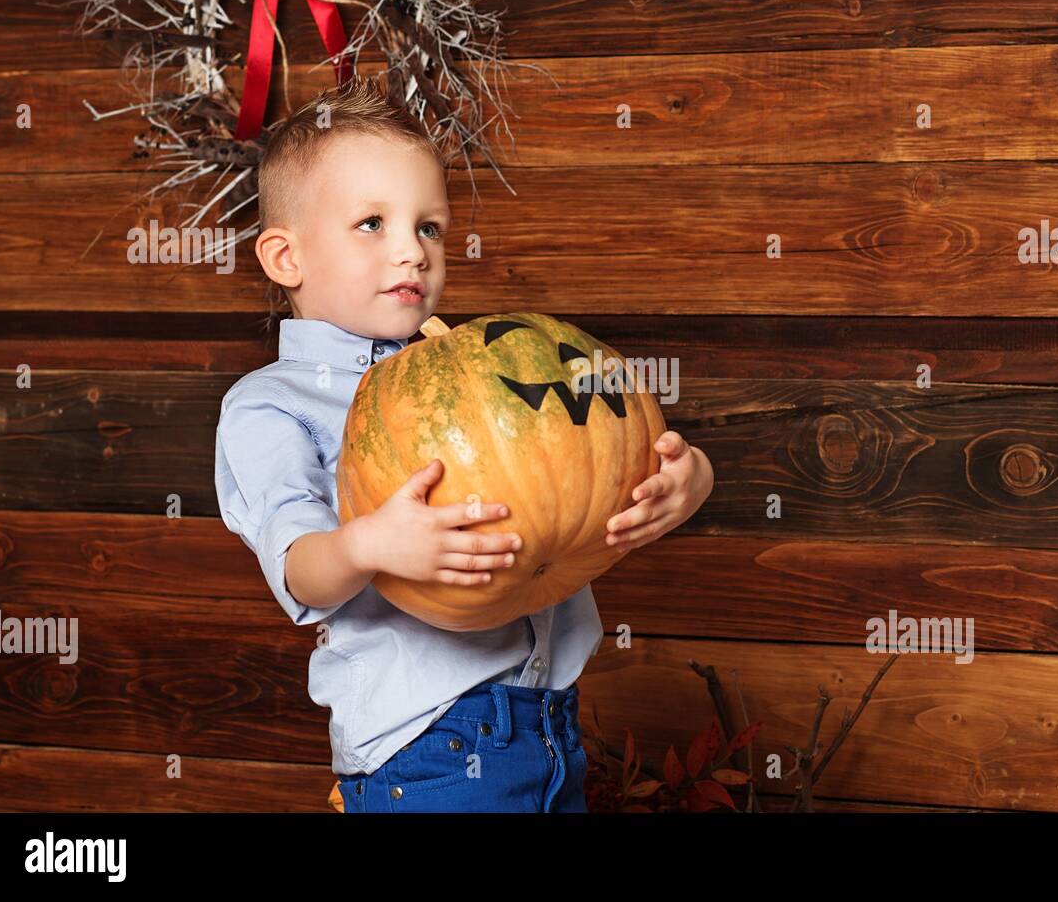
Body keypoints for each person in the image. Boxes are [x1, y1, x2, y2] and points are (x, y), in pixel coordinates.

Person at [213, 75, 715, 812]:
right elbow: (299, 573)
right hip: (428, 749)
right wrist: (368, 545)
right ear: (287, 258)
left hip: (550, 729)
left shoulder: (488, 365)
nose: (412, 252)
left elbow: (599, 451)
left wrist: (686, 474)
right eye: (372, 224)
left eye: (429, 227)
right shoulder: (271, 405)